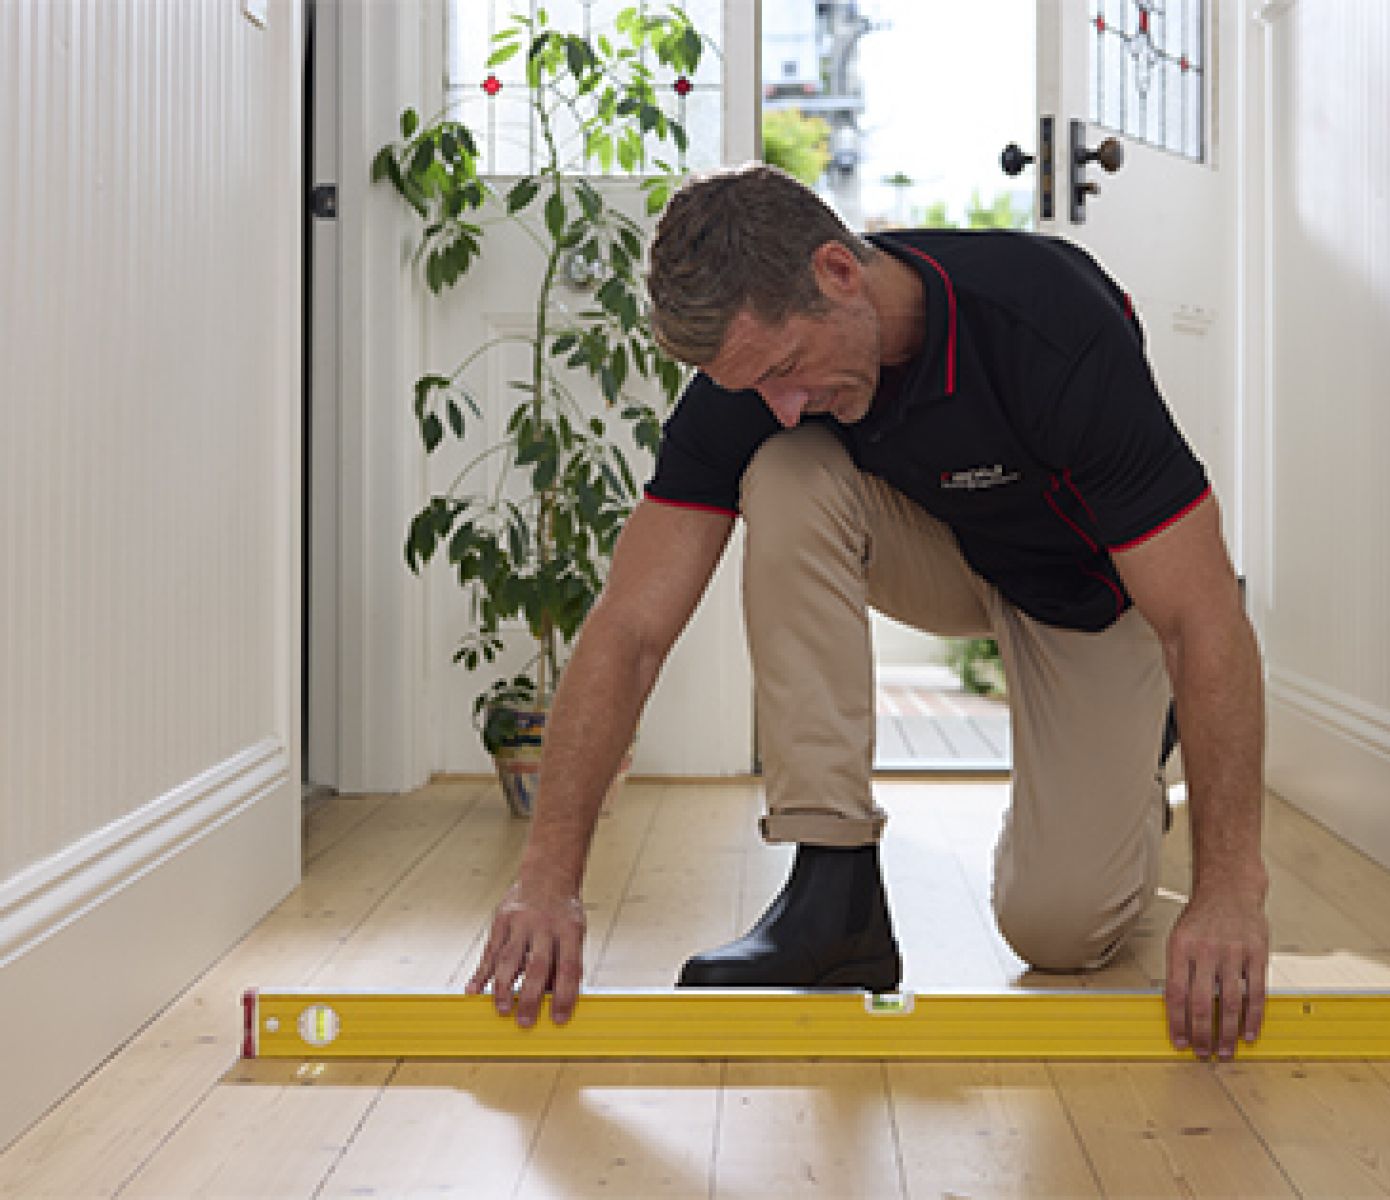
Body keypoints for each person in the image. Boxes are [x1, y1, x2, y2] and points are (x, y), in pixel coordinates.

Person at [466, 163, 1270, 1060]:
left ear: (838, 273)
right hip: (954, 555)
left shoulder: (1049, 322)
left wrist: (1230, 889)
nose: (780, 402)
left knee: (1059, 931)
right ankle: (834, 891)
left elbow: (1202, 618)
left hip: (1094, 600)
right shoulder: (752, 388)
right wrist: (546, 881)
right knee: (786, 467)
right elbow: (633, 626)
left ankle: (1132, 768)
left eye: (785, 368)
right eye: (754, 388)